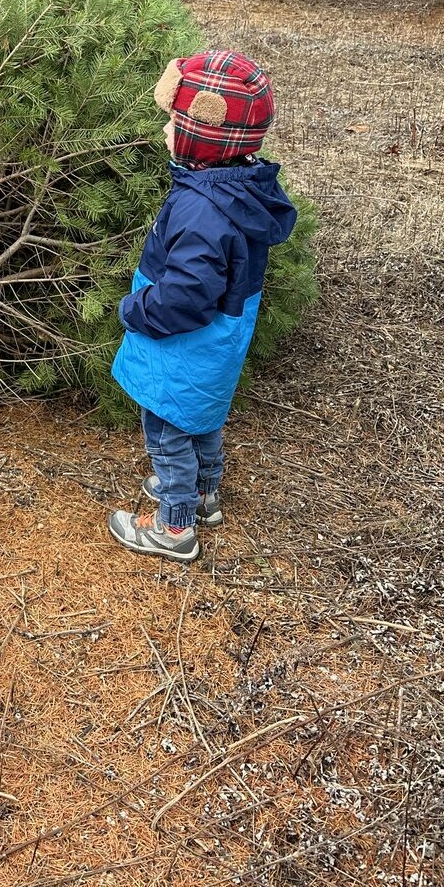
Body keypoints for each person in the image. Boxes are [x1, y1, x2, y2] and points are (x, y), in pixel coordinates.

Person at [107, 50, 297, 564]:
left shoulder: (200, 208)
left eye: (173, 121)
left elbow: (185, 297)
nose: (166, 131)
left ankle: (175, 526)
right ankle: (206, 495)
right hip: (221, 341)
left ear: (200, 138)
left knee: (167, 427)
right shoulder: (241, 188)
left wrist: (135, 309)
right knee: (203, 417)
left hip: (183, 345)